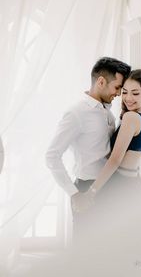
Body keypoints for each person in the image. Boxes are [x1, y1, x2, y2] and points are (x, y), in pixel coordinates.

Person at [45, 57, 131, 239]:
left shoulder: (106, 110)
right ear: (101, 81)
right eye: (117, 87)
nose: (119, 94)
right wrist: (74, 194)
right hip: (86, 191)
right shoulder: (77, 113)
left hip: (108, 188)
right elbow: (51, 156)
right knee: (85, 252)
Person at [73, 69, 141, 216]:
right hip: (133, 184)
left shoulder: (131, 117)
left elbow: (115, 160)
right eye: (124, 92)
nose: (128, 98)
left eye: (135, 93)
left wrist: (91, 192)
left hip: (121, 186)